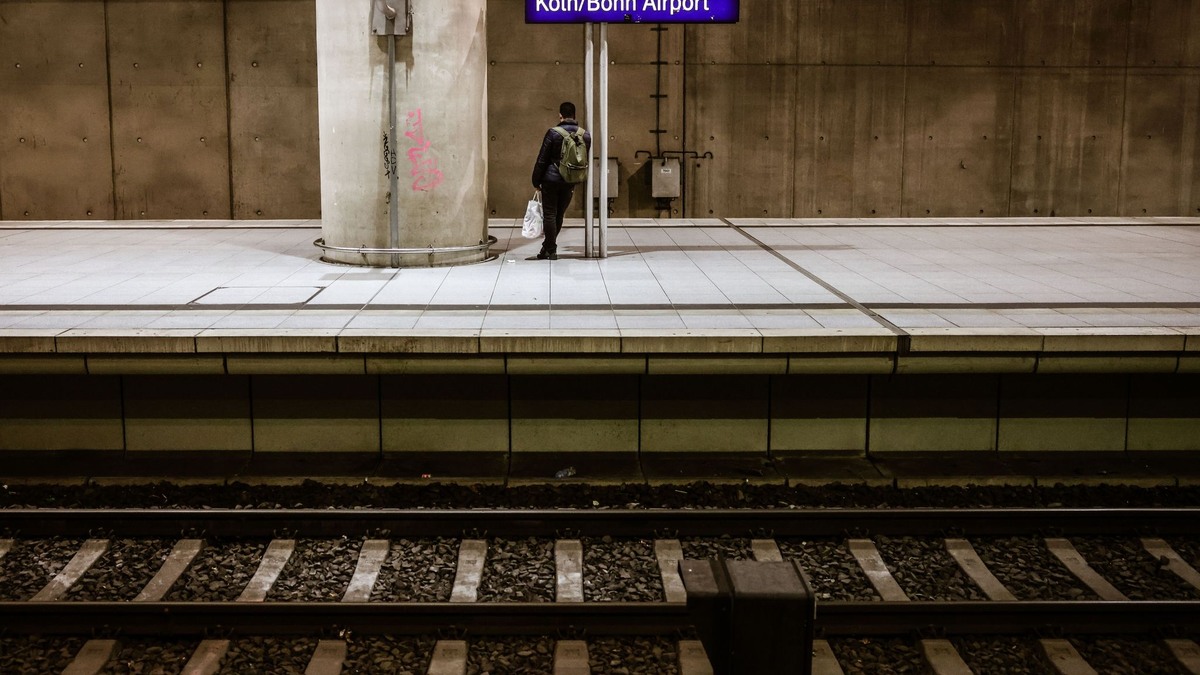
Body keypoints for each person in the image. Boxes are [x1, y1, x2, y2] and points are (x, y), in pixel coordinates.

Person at [531, 102, 592, 260]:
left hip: (551, 179)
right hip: (570, 180)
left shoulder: (553, 133)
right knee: (559, 214)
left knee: (550, 214)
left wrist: (536, 180)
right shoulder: (585, 135)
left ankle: (550, 248)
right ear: (575, 115)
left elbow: (542, 159)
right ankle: (548, 247)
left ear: (560, 116)